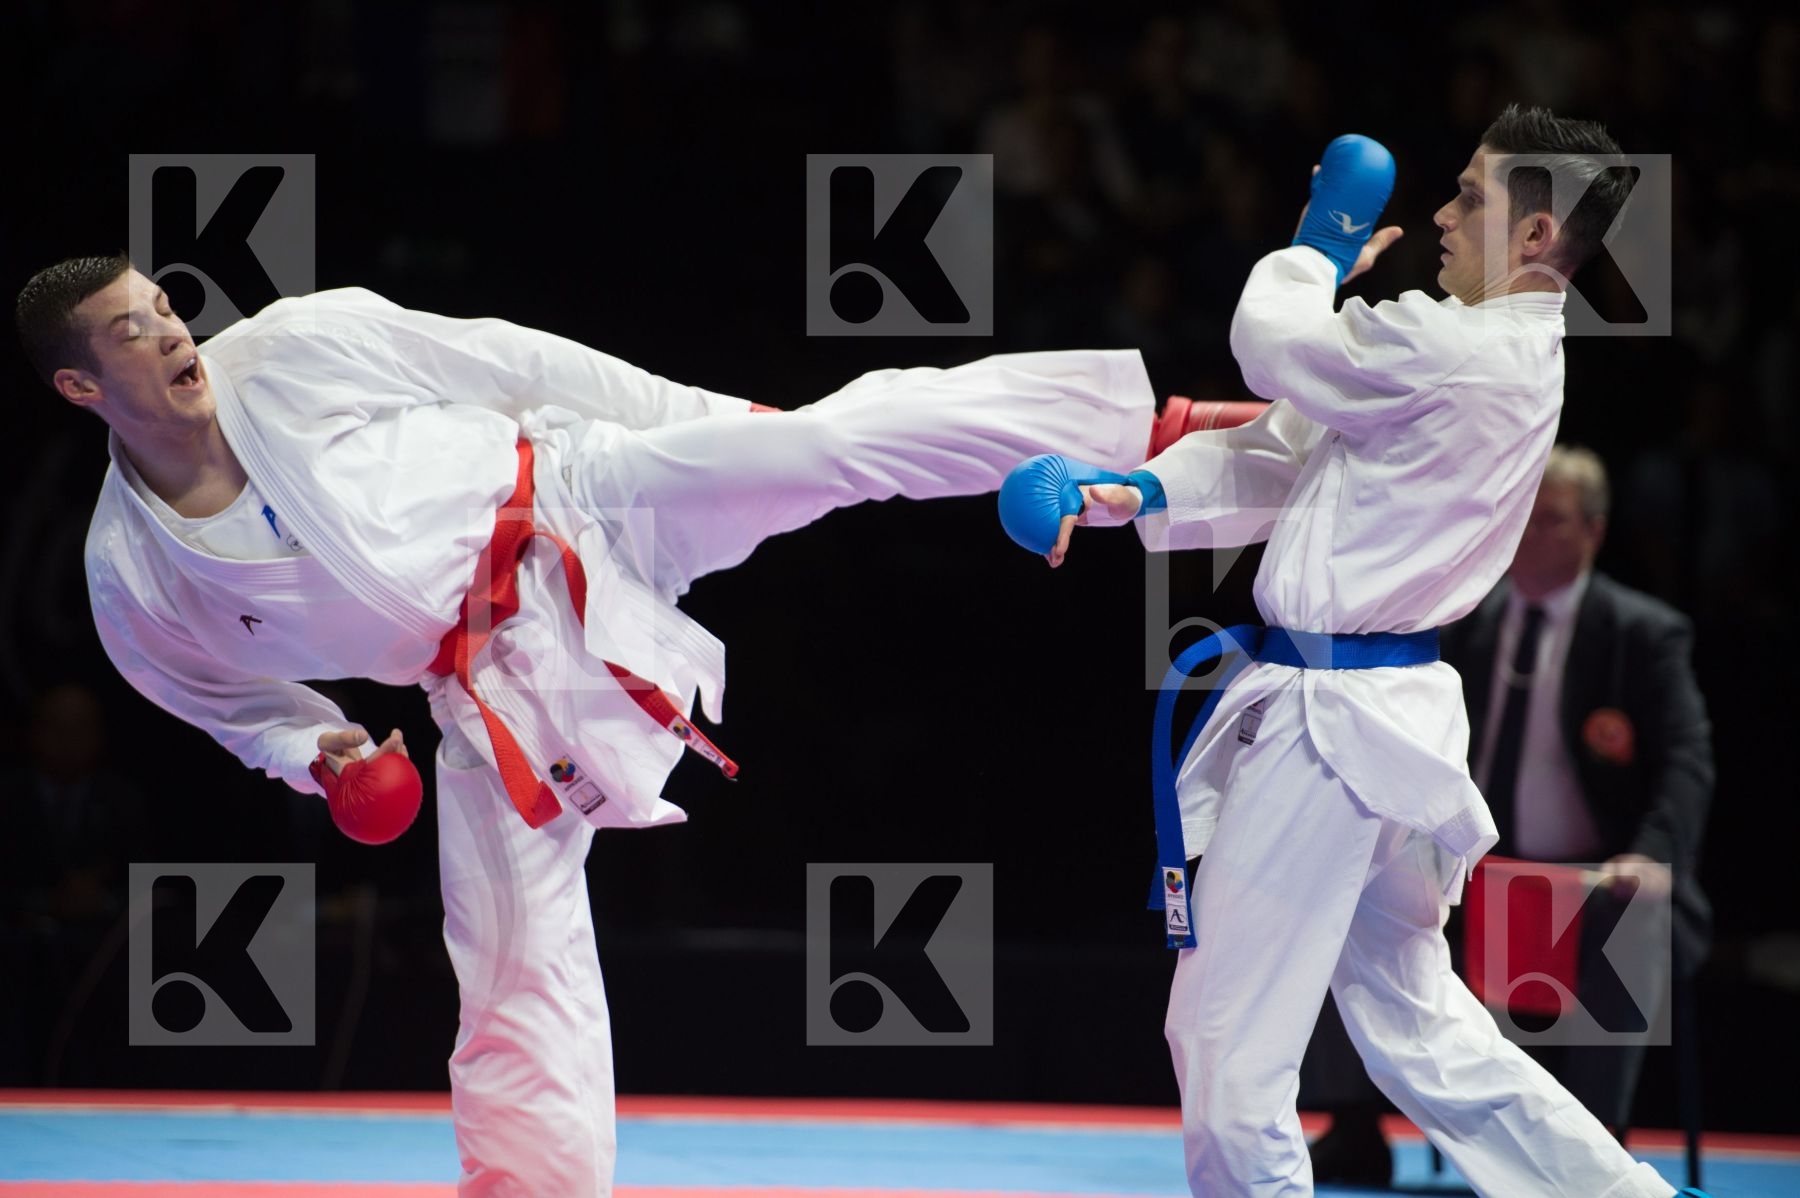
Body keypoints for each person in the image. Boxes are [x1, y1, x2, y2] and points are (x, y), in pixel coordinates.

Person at [14, 257, 1154, 1197]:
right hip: (483, 685)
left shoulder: (295, 348)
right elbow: (224, 702)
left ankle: (1136, 433)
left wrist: (702, 421)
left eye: (166, 305)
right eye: (131, 329)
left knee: (818, 447)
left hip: (577, 492)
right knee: (511, 949)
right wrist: (323, 755)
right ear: (80, 386)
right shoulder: (132, 576)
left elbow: (512, 359)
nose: (172, 333)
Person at [1040, 106, 1698, 1197]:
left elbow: (1274, 344)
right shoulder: (1475, 348)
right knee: (1417, 1020)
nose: (1441, 214)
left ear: (1537, 240)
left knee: (1225, 1035)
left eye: (1473, 197)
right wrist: (1139, 492)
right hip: (1378, 720)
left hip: (1335, 732)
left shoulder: (1464, 348)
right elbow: (1290, 447)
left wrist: (1321, 240)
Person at [1303, 444, 1715, 1184]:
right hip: (1473, 874)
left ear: (1593, 530)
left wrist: (1650, 854)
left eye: (1550, 521)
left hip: (1591, 882)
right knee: (1347, 885)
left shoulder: (1642, 634)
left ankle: (1594, 1156)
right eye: (1521, 518)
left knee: (1631, 915)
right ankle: (1355, 1126)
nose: (1528, 538)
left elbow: (1688, 759)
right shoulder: (1461, 620)